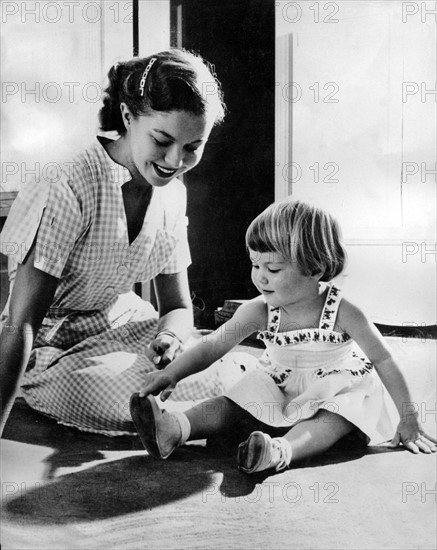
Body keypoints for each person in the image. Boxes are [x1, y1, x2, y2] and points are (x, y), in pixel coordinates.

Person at [0, 48, 228, 436]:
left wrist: (169, 338)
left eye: (193, 147)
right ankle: (199, 421)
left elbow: (176, 305)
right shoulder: (67, 183)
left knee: (227, 370)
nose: (175, 160)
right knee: (129, 397)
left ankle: (185, 420)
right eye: (162, 140)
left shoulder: (172, 195)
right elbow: (21, 325)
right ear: (127, 117)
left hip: (128, 327)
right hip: (54, 348)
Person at [129, 198, 437, 473]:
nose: (260, 276)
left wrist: (408, 418)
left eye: (273, 268)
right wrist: (171, 373)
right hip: (278, 386)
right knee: (232, 401)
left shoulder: (344, 312)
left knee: (337, 415)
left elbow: (384, 360)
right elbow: (214, 345)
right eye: (255, 264)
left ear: (315, 269)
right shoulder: (259, 310)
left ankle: (279, 452)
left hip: (331, 391)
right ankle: (175, 428)